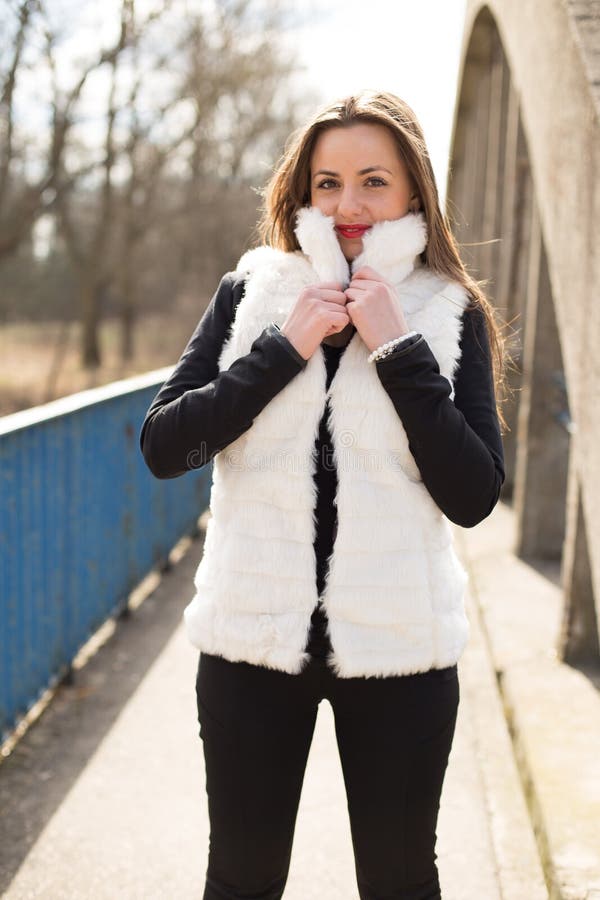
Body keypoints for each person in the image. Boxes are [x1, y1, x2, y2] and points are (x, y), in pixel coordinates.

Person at [139, 90, 506, 900]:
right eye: (327, 182)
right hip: (250, 643)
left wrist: (399, 350)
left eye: (373, 181)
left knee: (401, 880)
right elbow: (169, 447)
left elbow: (474, 495)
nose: (348, 205)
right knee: (240, 879)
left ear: (414, 191)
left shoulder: (447, 312)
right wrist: (284, 347)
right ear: (302, 192)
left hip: (401, 650)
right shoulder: (253, 291)